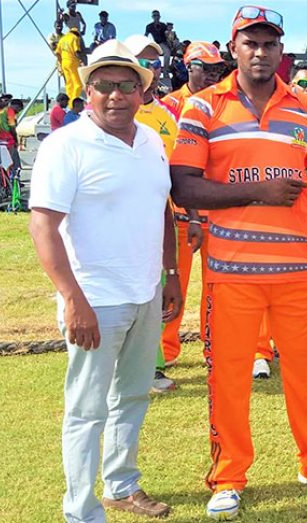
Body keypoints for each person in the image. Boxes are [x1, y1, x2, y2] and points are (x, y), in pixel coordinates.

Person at [169, 7, 307, 519]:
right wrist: (260, 192)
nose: (260, 51)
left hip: (298, 269)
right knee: (228, 377)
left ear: (281, 51)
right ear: (233, 48)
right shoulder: (203, 108)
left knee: (306, 375)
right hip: (231, 272)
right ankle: (229, 475)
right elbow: (184, 185)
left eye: (269, 43)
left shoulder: (305, 108)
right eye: (250, 43)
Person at [28, 39, 179, 523]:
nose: (116, 95)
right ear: (88, 91)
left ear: (141, 92)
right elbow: (43, 226)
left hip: (145, 292)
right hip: (95, 299)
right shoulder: (65, 146)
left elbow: (164, 210)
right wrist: (73, 299)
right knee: (86, 410)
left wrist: (170, 273)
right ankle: (81, 510)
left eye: (126, 86)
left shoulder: (151, 141)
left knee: (132, 397)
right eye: (104, 86)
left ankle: (120, 486)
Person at [161, 41, 227, 373]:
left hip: (217, 210)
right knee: (176, 283)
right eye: (207, 68)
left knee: (217, 287)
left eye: (218, 69)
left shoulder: (225, 105)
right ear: (190, 67)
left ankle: (213, 346)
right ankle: (166, 349)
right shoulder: (169, 107)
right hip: (181, 212)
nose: (214, 75)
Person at [124, 34, 181, 393]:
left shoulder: (165, 115)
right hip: (120, 222)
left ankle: (153, 367)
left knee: (157, 292)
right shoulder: (107, 111)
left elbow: (175, 170)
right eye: (145, 63)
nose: (153, 71)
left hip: (159, 218)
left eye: (157, 64)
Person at [0, 98, 23, 170]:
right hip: (8, 140)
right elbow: (12, 127)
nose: (18, 112)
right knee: (13, 162)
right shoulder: (10, 111)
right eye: (19, 109)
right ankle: (14, 178)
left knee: (3, 161)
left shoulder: (1, 111)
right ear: (16, 106)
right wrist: (16, 140)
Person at [58, 27, 84, 101]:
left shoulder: (62, 39)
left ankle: (69, 102)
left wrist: (60, 61)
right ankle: (74, 101)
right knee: (78, 84)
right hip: (72, 62)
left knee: (69, 84)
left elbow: (57, 53)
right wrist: (81, 61)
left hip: (64, 63)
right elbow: (77, 52)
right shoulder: (75, 38)